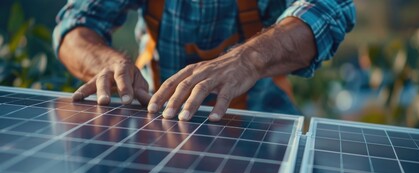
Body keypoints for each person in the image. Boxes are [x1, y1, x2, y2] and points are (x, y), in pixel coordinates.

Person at [53, 0, 355, 122]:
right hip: (152, 119)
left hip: (261, 125)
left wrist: (248, 59)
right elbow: (76, 23)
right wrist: (105, 62)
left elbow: (330, 9)